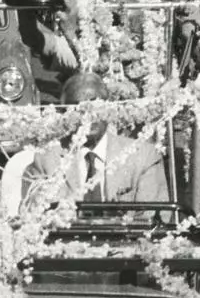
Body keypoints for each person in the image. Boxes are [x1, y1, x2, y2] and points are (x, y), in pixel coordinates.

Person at [21, 73, 170, 207]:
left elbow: (153, 222)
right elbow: (35, 219)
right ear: (65, 114)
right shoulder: (47, 161)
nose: (88, 115)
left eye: (95, 105)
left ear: (109, 108)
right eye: (78, 108)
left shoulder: (143, 157)